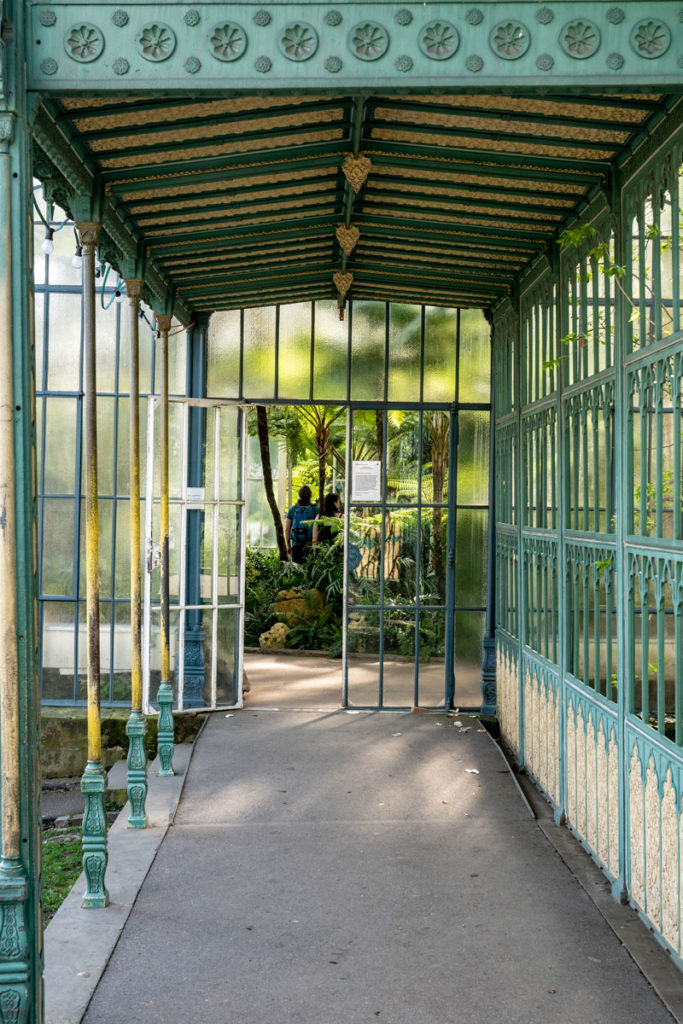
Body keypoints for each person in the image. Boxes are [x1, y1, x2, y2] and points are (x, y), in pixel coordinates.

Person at [285, 485, 318, 564]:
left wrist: (288, 545)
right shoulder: (315, 509)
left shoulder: (293, 509)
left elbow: (287, 529)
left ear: (299, 494)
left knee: (297, 571)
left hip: (296, 545)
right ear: (310, 495)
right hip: (311, 545)